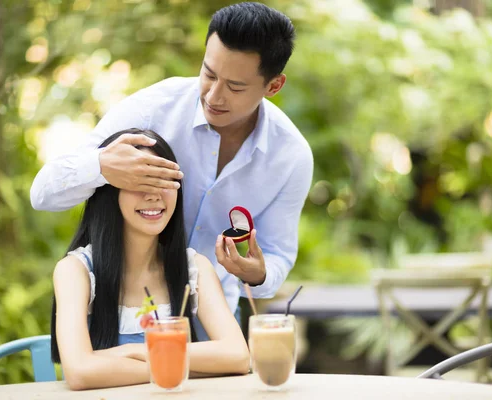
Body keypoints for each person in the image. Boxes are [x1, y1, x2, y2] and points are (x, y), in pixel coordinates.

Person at [32, 2, 314, 325]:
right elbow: (43, 193)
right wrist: (101, 166)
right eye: (208, 74)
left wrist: (258, 274)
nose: (213, 96)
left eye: (235, 87)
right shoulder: (154, 109)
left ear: (273, 86)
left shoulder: (291, 157)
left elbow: (278, 255)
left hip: (214, 320)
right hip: (124, 316)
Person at [51, 129, 250, 390]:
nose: (154, 195)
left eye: (163, 182)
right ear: (108, 192)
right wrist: (185, 365)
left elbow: (237, 355)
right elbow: (79, 373)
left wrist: (135, 353)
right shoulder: (75, 271)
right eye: (140, 182)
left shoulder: (195, 268)